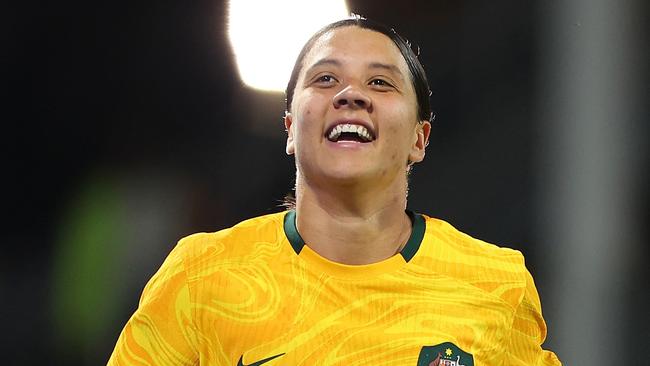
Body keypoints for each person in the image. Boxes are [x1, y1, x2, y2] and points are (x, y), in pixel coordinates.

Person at [108, 16, 561, 366]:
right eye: (325, 79)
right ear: (289, 128)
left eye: (380, 82)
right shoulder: (202, 276)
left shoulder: (495, 283)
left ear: (419, 140)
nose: (350, 94)